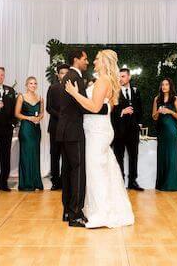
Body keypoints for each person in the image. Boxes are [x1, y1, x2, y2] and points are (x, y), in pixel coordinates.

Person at [64, 49, 134, 228]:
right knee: (103, 169)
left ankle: (102, 213)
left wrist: (74, 93)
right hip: (96, 129)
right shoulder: (103, 81)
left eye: (96, 59)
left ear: (104, 62)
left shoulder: (103, 81)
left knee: (96, 172)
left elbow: (95, 107)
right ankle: (103, 208)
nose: (93, 62)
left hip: (97, 131)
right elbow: (106, 106)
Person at [57, 49, 108, 228]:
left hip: (65, 131)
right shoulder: (75, 77)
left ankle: (67, 211)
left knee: (69, 172)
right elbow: (86, 106)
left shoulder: (69, 76)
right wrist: (105, 109)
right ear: (76, 59)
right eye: (85, 59)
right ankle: (75, 214)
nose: (87, 62)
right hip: (74, 131)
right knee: (78, 171)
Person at [111, 68, 144, 191]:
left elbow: (140, 108)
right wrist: (122, 111)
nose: (120, 79)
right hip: (119, 130)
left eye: (123, 76)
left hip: (133, 130)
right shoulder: (114, 92)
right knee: (119, 157)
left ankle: (132, 182)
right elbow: (111, 111)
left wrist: (139, 123)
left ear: (129, 77)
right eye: (119, 77)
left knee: (133, 156)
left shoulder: (136, 91)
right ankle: (120, 182)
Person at [152, 78, 177, 191]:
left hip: (172, 130)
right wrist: (158, 112)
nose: (164, 86)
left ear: (170, 86)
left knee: (171, 156)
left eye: (167, 84)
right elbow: (153, 117)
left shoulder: (175, 99)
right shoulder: (157, 99)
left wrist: (170, 111)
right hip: (161, 130)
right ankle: (161, 184)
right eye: (163, 84)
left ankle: (172, 184)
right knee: (162, 155)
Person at [15, 76, 44, 191]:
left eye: (35, 83)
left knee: (35, 154)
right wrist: (29, 118)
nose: (33, 85)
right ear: (26, 85)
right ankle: (26, 183)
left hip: (36, 129)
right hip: (26, 129)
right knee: (26, 155)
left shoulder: (40, 98)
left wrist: (38, 118)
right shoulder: (21, 97)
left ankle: (36, 182)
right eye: (31, 83)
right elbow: (17, 114)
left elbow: (42, 113)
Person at [46, 64, 69, 190]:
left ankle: (65, 181)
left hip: (68, 128)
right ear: (58, 75)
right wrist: (61, 116)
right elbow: (48, 107)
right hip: (55, 126)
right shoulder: (52, 88)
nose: (64, 75)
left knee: (66, 155)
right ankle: (55, 181)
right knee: (54, 155)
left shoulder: (73, 88)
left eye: (66, 72)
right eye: (62, 73)